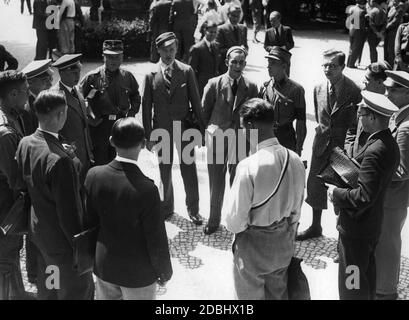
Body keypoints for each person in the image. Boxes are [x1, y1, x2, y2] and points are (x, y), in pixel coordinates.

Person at [15, 90, 94, 300]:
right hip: (63, 246)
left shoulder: (26, 142)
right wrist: (82, 251)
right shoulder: (60, 161)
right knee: (76, 293)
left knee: (50, 288)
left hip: (40, 234)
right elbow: (70, 213)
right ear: (61, 115)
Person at [225, 98, 305, 300]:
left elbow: (234, 222)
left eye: (243, 128)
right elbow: (296, 210)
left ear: (251, 125)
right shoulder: (294, 159)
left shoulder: (248, 166)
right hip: (282, 244)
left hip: (253, 247)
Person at [84, 117, 172, 300]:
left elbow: (89, 223)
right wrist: (164, 272)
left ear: (111, 141)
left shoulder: (93, 176)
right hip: (138, 273)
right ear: (143, 144)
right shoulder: (148, 189)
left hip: (104, 266)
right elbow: (156, 237)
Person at [327, 90, 400, 300]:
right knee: (364, 279)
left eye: (361, 114)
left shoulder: (376, 150)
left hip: (356, 231)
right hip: (369, 227)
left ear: (373, 117)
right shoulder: (386, 143)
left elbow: (363, 197)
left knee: (352, 285)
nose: (359, 119)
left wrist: (336, 193)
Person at [296, 49, 361, 241]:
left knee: (341, 192)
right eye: (324, 65)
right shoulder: (317, 88)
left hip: (342, 149)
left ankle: (343, 238)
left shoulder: (354, 90)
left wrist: (350, 149)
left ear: (342, 66)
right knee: (315, 187)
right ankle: (315, 226)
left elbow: (356, 123)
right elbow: (320, 118)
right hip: (321, 145)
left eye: (332, 65)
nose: (327, 69)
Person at [142, 32, 205, 225]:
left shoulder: (186, 71)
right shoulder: (150, 74)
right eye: (164, 50)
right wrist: (148, 134)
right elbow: (146, 106)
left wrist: (201, 130)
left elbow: (196, 102)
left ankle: (193, 209)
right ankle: (167, 207)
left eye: (172, 49)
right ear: (158, 50)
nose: (168, 54)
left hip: (184, 128)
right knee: (164, 169)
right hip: (162, 130)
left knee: (189, 168)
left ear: (176, 48)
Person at [202, 46, 259, 235]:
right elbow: (204, 112)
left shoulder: (251, 87)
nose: (237, 65)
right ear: (227, 62)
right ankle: (213, 220)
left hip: (241, 140)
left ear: (245, 64)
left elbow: (253, 115)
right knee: (215, 181)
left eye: (241, 62)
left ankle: (235, 221)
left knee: (238, 182)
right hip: (218, 139)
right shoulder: (213, 84)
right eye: (234, 61)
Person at [80, 40, 141, 166]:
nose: (114, 61)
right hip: (99, 126)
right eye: (110, 57)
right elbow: (80, 98)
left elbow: (135, 96)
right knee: (100, 162)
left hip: (120, 124)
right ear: (103, 56)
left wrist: (131, 113)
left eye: (117, 57)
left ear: (122, 57)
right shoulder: (93, 77)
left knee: (120, 162)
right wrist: (88, 118)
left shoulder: (128, 77)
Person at [376, 70, 409, 299]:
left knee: (388, 246)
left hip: (393, 198)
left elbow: (402, 170)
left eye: (393, 90)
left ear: (407, 93)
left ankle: (386, 292)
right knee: (384, 243)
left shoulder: (406, 127)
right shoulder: (398, 116)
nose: (386, 93)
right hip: (390, 197)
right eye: (386, 88)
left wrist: (371, 173)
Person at [0, 71, 30, 300]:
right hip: (6, 206)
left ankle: (17, 294)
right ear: (12, 94)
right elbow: (15, 179)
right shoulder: (5, 133)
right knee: (5, 256)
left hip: (9, 202)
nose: (28, 95)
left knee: (11, 251)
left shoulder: (14, 115)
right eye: (25, 91)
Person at [52, 54, 94, 182]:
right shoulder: (55, 96)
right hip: (70, 155)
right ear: (62, 73)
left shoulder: (77, 89)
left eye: (79, 72)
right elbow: (54, 131)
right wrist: (70, 154)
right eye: (74, 73)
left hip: (84, 152)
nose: (78, 76)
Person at [259, 46, 306, 154]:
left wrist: (298, 149)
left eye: (273, 63)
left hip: (286, 139)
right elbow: (257, 118)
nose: (269, 67)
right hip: (266, 138)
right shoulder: (265, 87)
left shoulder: (296, 90)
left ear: (284, 66)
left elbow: (301, 123)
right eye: (268, 63)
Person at [347, 61, 391, 158]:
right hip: (352, 159)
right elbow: (352, 129)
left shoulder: (389, 108)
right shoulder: (364, 96)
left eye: (367, 79)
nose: (363, 81)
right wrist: (349, 152)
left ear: (379, 82)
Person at [189, 20, 221, 97]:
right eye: (210, 32)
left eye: (215, 32)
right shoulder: (197, 48)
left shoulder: (216, 46)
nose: (213, 34)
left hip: (214, 84)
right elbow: (191, 70)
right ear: (205, 31)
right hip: (201, 85)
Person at [21, 59, 54, 135]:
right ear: (30, 82)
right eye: (45, 81)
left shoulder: (42, 97)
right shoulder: (27, 109)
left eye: (50, 79)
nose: (50, 84)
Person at [216, 4, 248, 74]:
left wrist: (244, 49)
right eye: (233, 16)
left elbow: (245, 46)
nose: (235, 19)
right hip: (224, 68)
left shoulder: (243, 28)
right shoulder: (221, 29)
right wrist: (236, 50)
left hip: (239, 68)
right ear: (228, 15)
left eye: (238, 16)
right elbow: (217, 50)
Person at [346, 1, 368, 68]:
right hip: (358, 31)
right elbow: (361, 24)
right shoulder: (362, 11)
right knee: (356, 48)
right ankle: (351, 64)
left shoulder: (352, 8)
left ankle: (348, 62)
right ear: (363, 4)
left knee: (351, 47)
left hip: (352, 29)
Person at [385, 0, 405, 66]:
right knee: (388, 50)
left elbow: (395, 21)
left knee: (391, 50)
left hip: (393, 32)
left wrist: (385, 28)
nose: (394, 2)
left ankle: (391, 66)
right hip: (389, 32)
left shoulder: (399, 9)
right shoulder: (392, 8)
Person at [366, 0, 387, 64]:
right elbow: (385, 23)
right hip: (379, 33)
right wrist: (381, 32)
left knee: (372, 49)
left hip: (372, 32)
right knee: (374, 48)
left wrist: (376, 32)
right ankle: (374, 63)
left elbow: (371, 24)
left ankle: (373, 64)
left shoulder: (372, 11)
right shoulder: (384, 11)